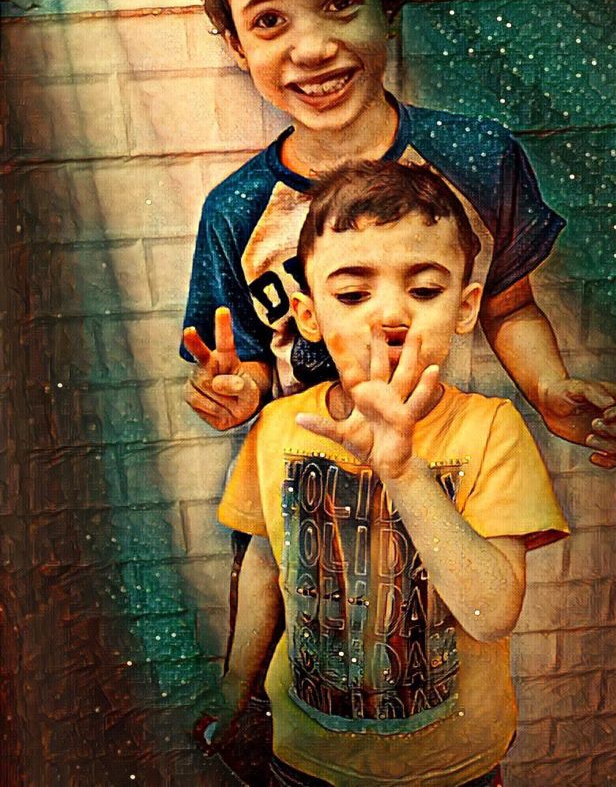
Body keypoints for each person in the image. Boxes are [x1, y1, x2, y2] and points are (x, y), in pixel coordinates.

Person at [182, 0, 616, 467]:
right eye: (268, 20)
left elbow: (509, 305)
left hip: (458, 475)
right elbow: (251, 357)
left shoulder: (476, 157)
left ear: (387, 7)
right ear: (238, 46)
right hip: (316, 490)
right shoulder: (236, 210)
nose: (312, 48)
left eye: (339, 3)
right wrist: (237, 390)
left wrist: (548, 387)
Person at [213, 160, 570, 786]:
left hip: (453, 770)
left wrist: (401, 468)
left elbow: (491, 614)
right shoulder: (279, 428)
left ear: (465, 307)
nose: (390, 314)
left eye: (424, 290)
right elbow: (268, 565)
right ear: (308, 315)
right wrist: (233, 687)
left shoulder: (491, 430)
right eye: (353, 294)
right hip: (304, 759)